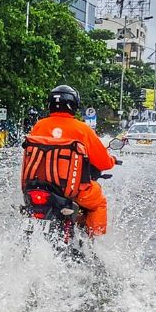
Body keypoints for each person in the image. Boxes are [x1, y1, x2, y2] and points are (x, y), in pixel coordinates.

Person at [23, 85, 117, 237]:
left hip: (37, 187)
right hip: (71, 190)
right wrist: (112, 160)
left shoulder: (39, 125)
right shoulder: (82, 129)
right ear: (74, 105)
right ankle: (94, 243)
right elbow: (103, 163)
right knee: (99, 203)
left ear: (50, 104)